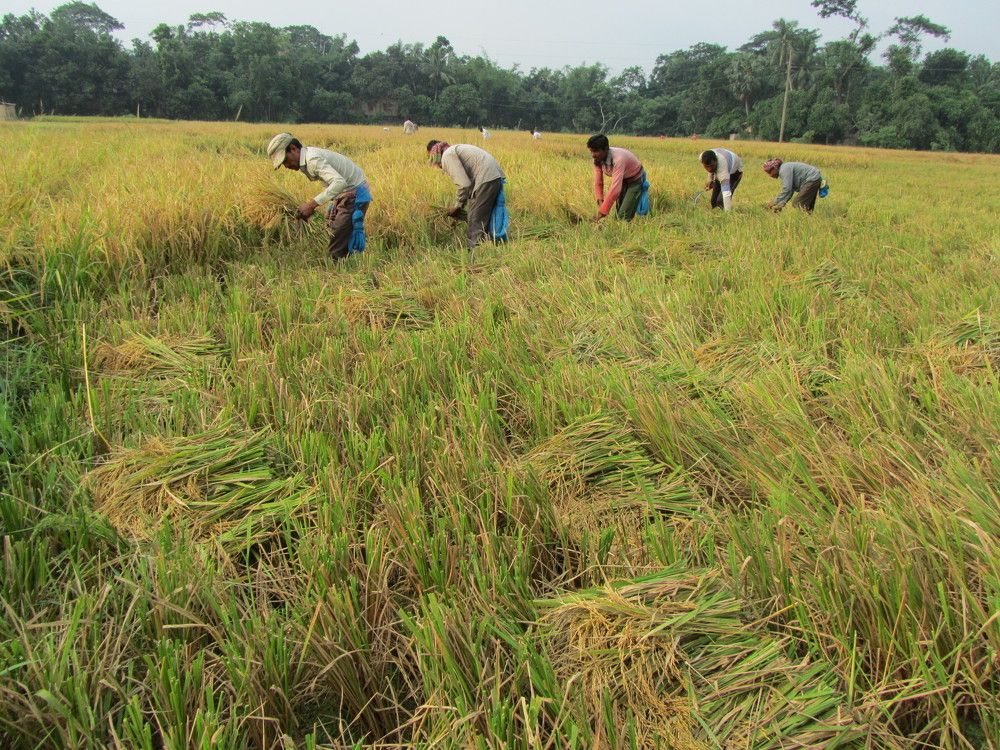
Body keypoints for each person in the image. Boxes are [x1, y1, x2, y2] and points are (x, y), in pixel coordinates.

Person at [267, 132, 372, 260]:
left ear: (294, 149)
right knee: (333, 228)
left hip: (354, 193)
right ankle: (346, 260)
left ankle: (338, 268)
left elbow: (339, 182)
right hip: (343, 193)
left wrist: (311, 205)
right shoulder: (308, 159)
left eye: (285, 160)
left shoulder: (313, 160)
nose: (286, 166)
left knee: (337, 236)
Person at [427, 139, 507, 248]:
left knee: (475, 220)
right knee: (480, 215)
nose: (437, 164)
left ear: (435, 154)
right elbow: (468, 184)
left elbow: (464, 184)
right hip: (493, 176)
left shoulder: (447, 155)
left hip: (486, 177)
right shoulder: (454, 150)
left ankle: (475, 252)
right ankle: (490, 247)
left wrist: (458, 206)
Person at [587, 133, 650, 223]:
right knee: (618, 212)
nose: (593, 154)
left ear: (605, 149)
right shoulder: (598, 159)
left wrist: (602, 212)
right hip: (623, 179)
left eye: (596, 151)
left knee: (622, 216)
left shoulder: (618, 159)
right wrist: (600, 199)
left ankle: (626, 234)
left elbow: (615, 189)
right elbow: (599, 182)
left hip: (635, 181)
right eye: (591, 151)